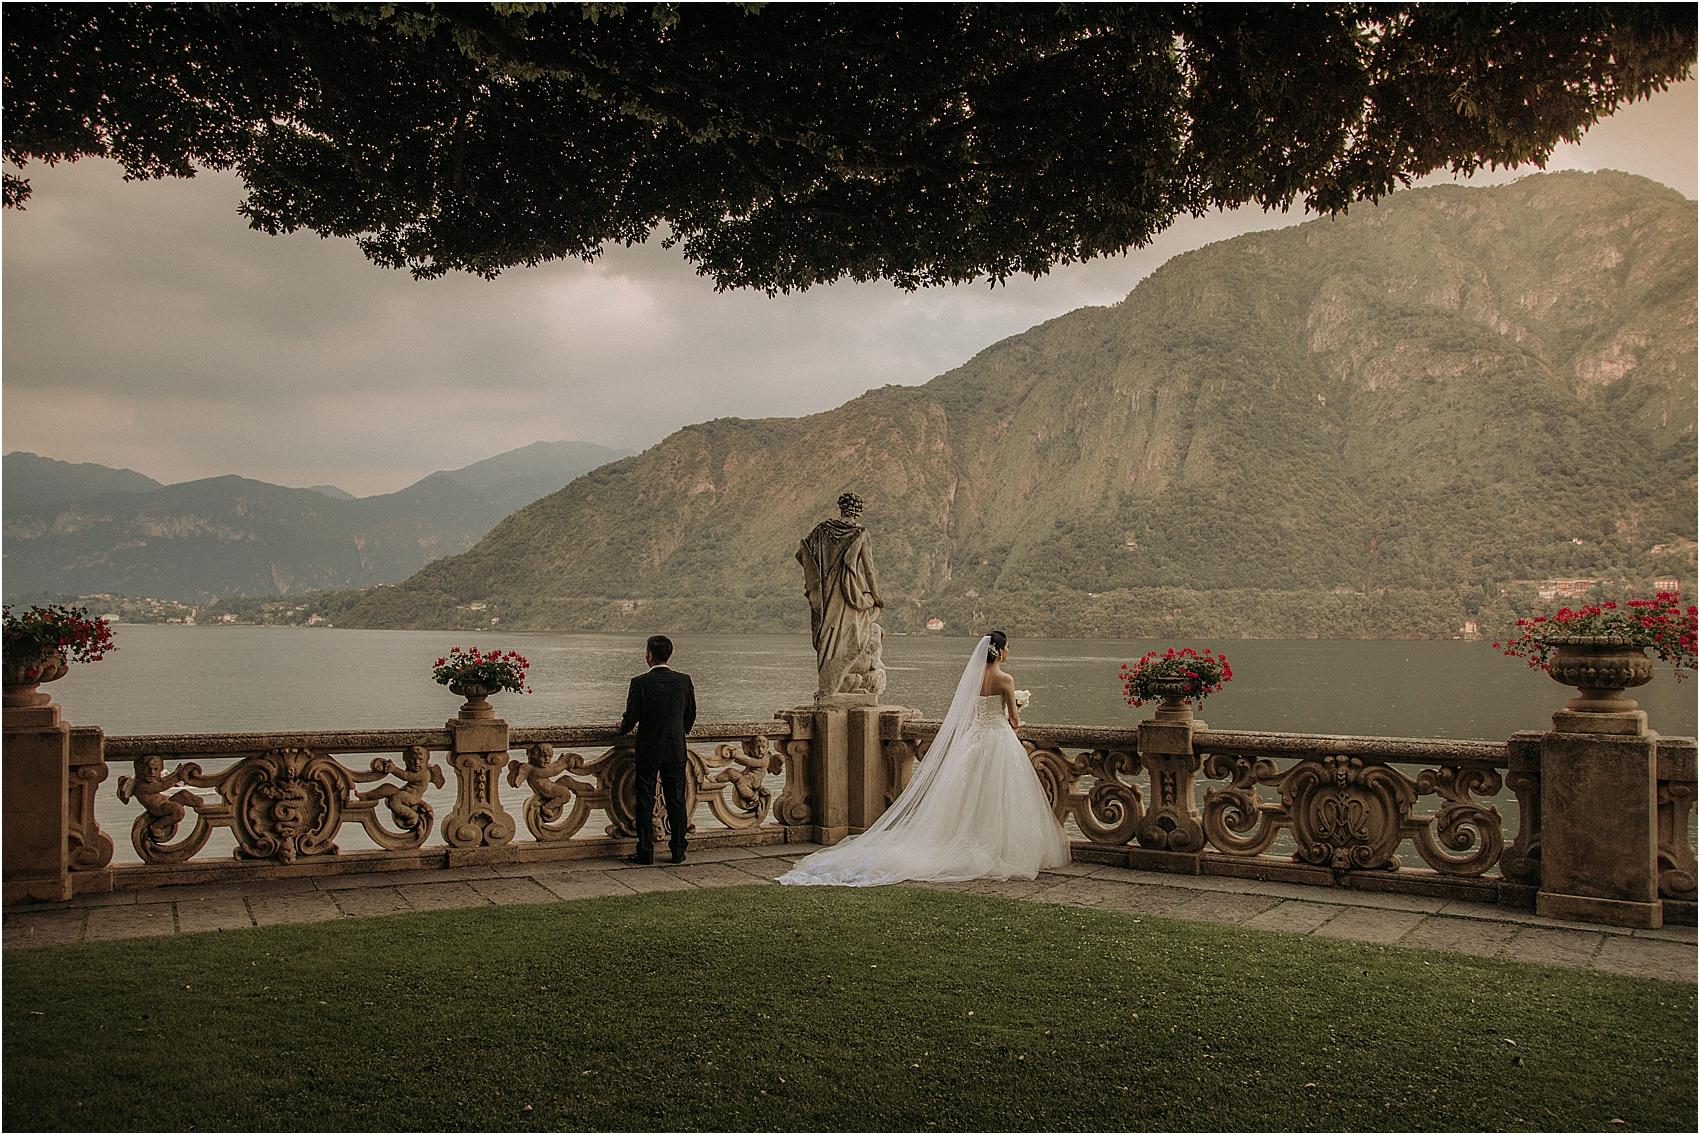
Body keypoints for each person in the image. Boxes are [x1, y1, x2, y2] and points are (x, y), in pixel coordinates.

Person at [779, 630, 1070, 886]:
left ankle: (968, 843)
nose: (1008, 653)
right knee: (997, 797)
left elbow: (969, 713)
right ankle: (997, 849)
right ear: (1000, 651)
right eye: (1007, 648)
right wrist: (1016, 704)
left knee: (968, 796)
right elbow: (1015, 721)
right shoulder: (1005, 679)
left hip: (975, 740)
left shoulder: (975, 679)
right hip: (997, 739)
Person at [616, 634, 697, 865]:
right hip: (675, 747)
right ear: (668, 654)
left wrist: (621, 728)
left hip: (649, 748)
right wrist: (679, 732)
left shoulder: (640, 682)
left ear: (649, 655)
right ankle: (678, 850)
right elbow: (690, 715)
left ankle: (645, 851)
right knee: (676, 799)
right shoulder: (684, 681)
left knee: (644, 799)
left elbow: (631, 718)